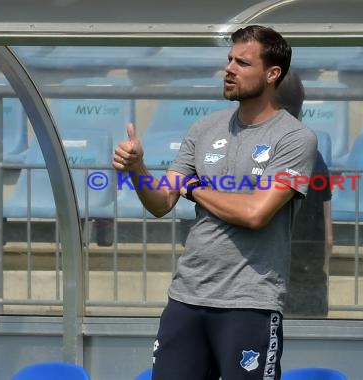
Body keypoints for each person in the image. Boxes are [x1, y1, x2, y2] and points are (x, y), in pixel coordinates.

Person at [113, 25, 317, 380]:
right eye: (229, 60)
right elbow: (161, 201)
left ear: (272, 74)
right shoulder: (205, 128)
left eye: (242, 62)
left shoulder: (295, 138)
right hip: (187, 297)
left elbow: (255, 214)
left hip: (249, 302)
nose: (229, 69)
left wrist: (194, 189)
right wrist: (137, 168)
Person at [274, 70, 333, 317]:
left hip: (263, 285)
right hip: (309, 281)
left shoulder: (254, 154)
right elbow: (328, 237)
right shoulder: (315, 155)